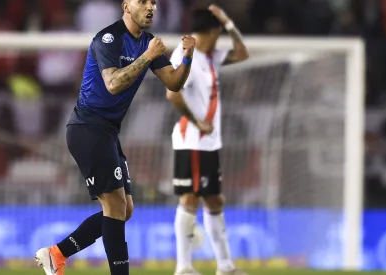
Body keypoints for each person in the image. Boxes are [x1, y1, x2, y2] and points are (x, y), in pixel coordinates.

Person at [34, 0, 196, 274]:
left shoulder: (148, 42)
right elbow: (112, 84)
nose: (150, 7)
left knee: (125, 210)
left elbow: (174, 82)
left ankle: (57, 253)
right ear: (126, 6)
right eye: (142, 1)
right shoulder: (108, 39)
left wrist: (188, 57)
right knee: (115, 206)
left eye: (153, 2)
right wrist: (146, 56)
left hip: (107, 132)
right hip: (88, 128)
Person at [166, 5, 249, 275]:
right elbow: (173, 94)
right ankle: (184, 267)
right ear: (211, 32)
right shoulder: (186, 55)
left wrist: (229, 24)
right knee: (190, 199)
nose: (220, 37)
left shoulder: (211, 56)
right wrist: (196, 121)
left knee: (214, 200)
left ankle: (225, 266)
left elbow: (242, 53)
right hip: (192, 140)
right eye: (219, 32)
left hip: (209, 142)